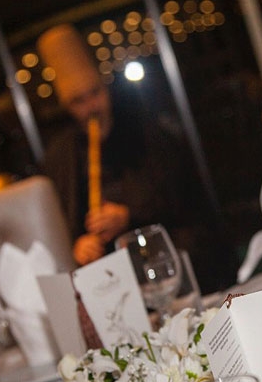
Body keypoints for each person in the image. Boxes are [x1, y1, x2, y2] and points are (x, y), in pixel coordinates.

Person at [35, 24, 180, 267]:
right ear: (68, 107)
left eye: (95, 93)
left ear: (106, 89)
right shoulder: (60, 154)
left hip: (157, 254)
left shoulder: (146, 131)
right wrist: (76, 245)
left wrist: (128, 215)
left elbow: (179, 196)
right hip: (104, 268)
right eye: (79, 101)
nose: (91, 107)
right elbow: (57, 222)